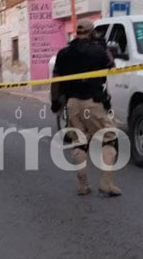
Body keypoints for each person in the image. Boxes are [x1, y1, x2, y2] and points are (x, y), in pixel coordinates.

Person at [50, 19, 121, 196]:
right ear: (92, 32)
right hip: (93, 102)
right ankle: (106, 183)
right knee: (109, 137)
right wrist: (102, 45)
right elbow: (112, 66)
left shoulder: (64, 53)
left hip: (72, 103)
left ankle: (83, 185)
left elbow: (56, 80)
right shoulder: (98, 51)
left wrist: (55, 102)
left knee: (79, 143)